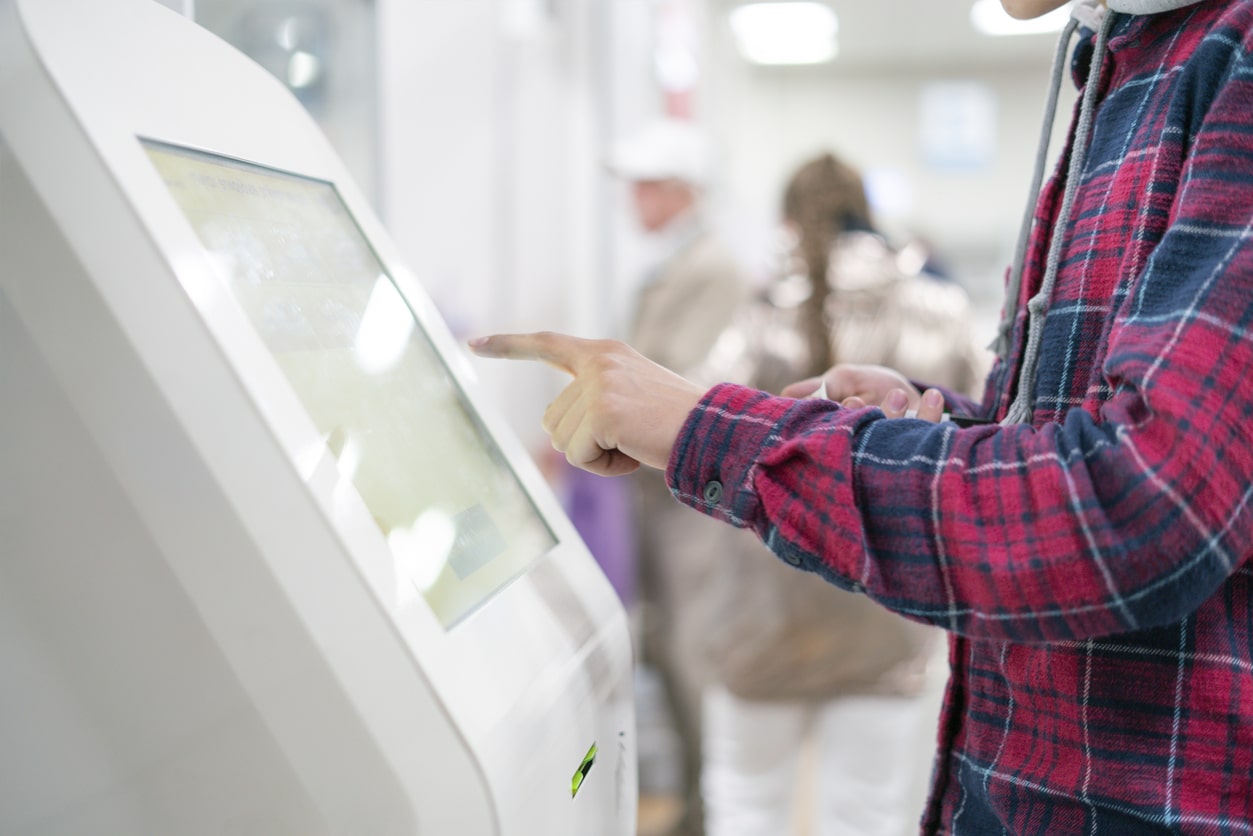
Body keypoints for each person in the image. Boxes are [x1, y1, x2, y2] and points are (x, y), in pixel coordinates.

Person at [472, 0, 1253, 831]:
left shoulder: (1224, 64)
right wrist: (937, 430)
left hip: (1106, 778)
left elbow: (1135, 503)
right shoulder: (1124, 66)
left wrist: (707, 424)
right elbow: (1060, 440)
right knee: (859, 811)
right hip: (955, 693)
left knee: (750, 803)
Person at [692, 151, 984, 835]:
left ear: (788, 220)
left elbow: (694, 418)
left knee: (744, 806)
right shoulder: (937, 308)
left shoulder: (757, 313)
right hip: (888, 598)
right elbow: (994, 423)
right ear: (867, 214)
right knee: (869, 816)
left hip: (758, 613)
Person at [607, 117, 752, 836]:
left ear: (677, 190)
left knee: (692, 647)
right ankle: (696, 807)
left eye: (642, 187)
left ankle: (709, 812)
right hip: (656, 491)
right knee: (665, 642)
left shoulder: (713, 270)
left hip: (688, 493)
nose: (633, 201)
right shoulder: (673, 265)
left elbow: (683, 381)